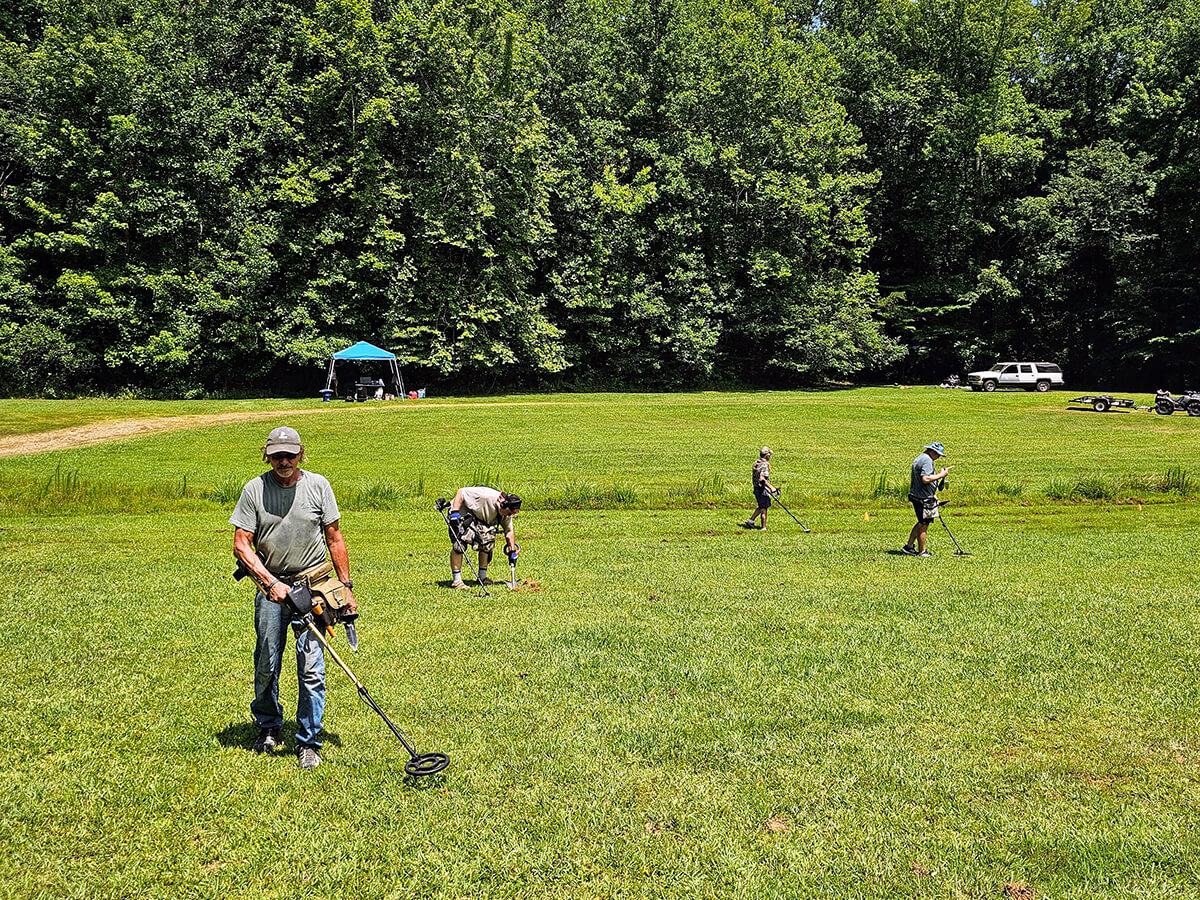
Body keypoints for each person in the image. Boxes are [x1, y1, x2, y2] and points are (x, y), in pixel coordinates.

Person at [230, 426, 356, 770]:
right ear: (266, 455)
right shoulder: (254, 489)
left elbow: (335, 538)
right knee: (267, 662)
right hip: (271, 590)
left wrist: (346, 588)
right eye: (276, 455)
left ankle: (309, 741)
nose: (283, 461)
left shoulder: (319, 486)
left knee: (312, 668)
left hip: (313, 587)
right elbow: (242, 544)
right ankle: (269, 727)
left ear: (301, 454)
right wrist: (269, 582)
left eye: (290, 454)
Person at [447, 487, 521, 588]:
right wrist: (455, 512)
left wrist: (512, 551)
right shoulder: (486, 495)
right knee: (459, 546)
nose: (508, 516)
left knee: (487, 542)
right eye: (508, 513)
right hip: (462, 512)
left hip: (479, 518)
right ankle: (457, 581)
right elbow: (461, 492)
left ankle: (482, 578)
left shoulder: (506, 513)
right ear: (501, 505)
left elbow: (509, 531)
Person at [902, 441, 953, 557]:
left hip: (920, 495)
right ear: (932, 451)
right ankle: (922, 551)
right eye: (938, 454)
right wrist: (942, 475)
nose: (939, 457)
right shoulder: (927, 461)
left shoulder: (921, 458)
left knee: (921, 522)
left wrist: (933, 494)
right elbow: (925, 479)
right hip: (922, 498)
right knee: (924, 524)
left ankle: (909, 547)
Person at [743, 447, 776, 530]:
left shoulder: (757, 462)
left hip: (756, 488)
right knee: (764, 508)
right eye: (769, 455)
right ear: (767, 456)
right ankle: (763, 527)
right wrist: (771, 487)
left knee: (761, 505)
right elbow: (761, 478)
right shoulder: (764, 465)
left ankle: (751, 521)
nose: (770, 456)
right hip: (762, 489)